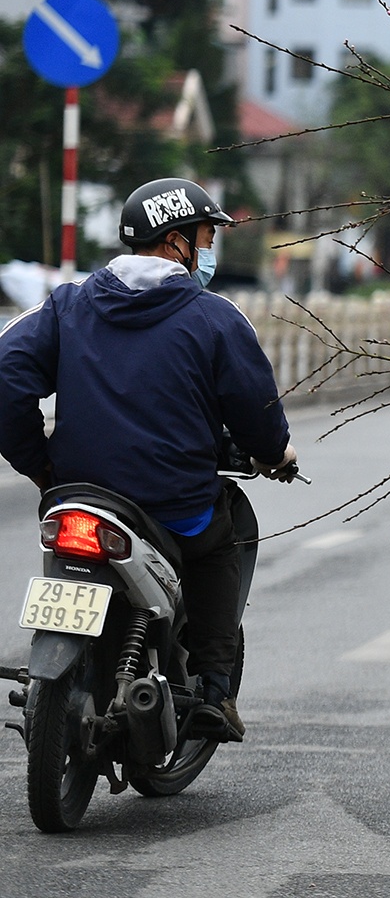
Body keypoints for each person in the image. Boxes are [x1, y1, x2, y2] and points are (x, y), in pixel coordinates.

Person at [0, 178, 296, 740]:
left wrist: (39, 467)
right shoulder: (213, 317)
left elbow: (4, 377)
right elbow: (258, 412)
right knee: (219, 541)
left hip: (78, 497)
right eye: (206, 237)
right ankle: (213, 688)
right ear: (176, 242)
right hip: (174, 506)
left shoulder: (67, 304)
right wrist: (274, 452)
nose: (209, 250)